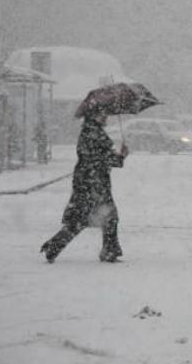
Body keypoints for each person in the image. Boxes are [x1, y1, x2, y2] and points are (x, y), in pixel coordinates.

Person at [40, 111, 129, 263]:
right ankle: (108, 251)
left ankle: (54, 246)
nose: (105, 117)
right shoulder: (93, 132)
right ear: (93, 116)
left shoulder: (92, 131)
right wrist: (120, 156)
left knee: (82, 218)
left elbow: (99, 156)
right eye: (102, 114)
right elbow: (99, 157)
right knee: (105, 217)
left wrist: (117, 157)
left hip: (89, 180)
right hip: (92, 182)